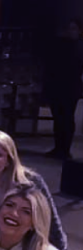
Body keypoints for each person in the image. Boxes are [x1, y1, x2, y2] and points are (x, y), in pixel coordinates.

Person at [42, 19, 83, 160]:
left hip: (70, 87)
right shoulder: (63, 46)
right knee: (59, 118)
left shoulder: (77, 47)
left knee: (66, 118)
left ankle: (64, 148)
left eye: (73, 28)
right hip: (61, 86)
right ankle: (59, 147)